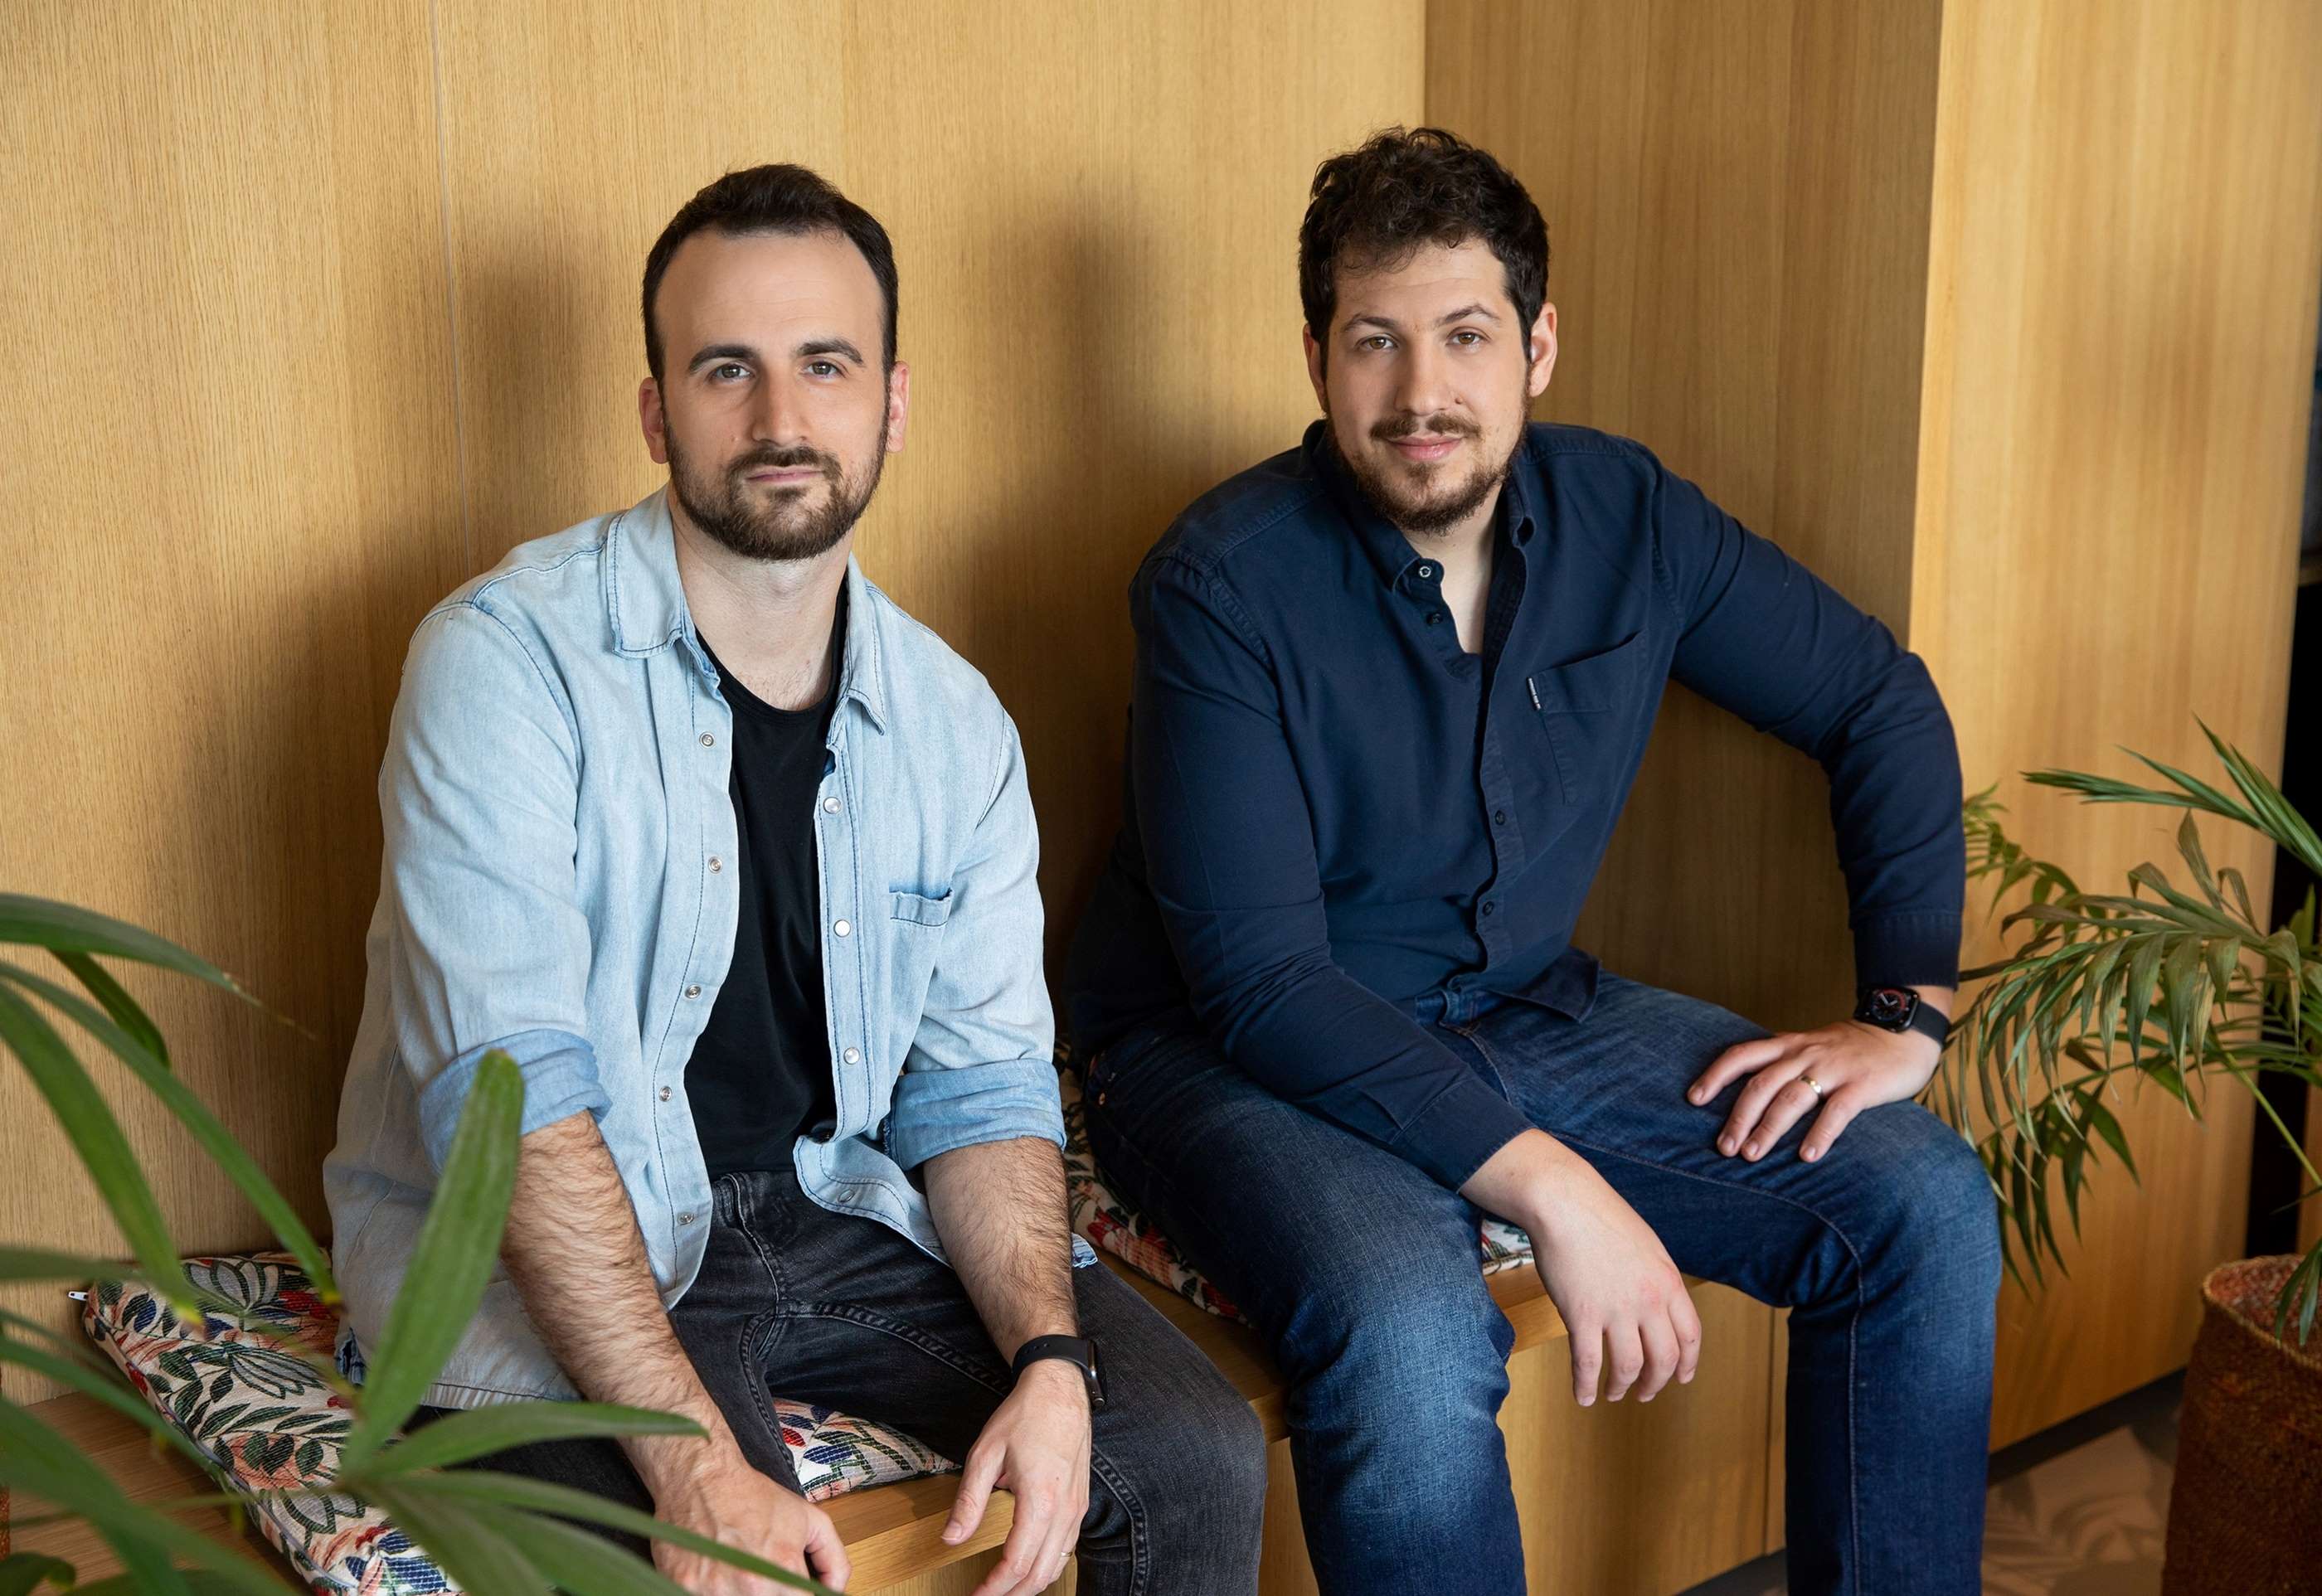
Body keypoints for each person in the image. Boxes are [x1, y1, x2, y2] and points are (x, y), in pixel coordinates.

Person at [1065, 126, 2001, 1596]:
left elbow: (1875, 699)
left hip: (1515, 1008)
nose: (1420, 394)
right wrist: (1556, 1186)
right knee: (1410, 1324)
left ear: (1538, 346)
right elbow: (1263, 986)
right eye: (1375, 341)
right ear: (1316, 359)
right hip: (1223, 1056)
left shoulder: (1631, 516)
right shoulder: (1220, 582)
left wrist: (1907, 1016)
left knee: (1923, 1205)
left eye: (1465, 335)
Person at [325, 163, 1265, 1596]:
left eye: (827, 365)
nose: (781, 420)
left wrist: (1050, 1356)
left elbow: (980, 1091)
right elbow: (513, 1106)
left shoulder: (954, 725)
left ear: (892, 402)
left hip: (833, 1208)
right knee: (724, 1560)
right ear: (656, 411)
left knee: (1195, 1454)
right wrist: (694, 1463)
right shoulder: (503, 663)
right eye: (727, 369)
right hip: (570, 1237)